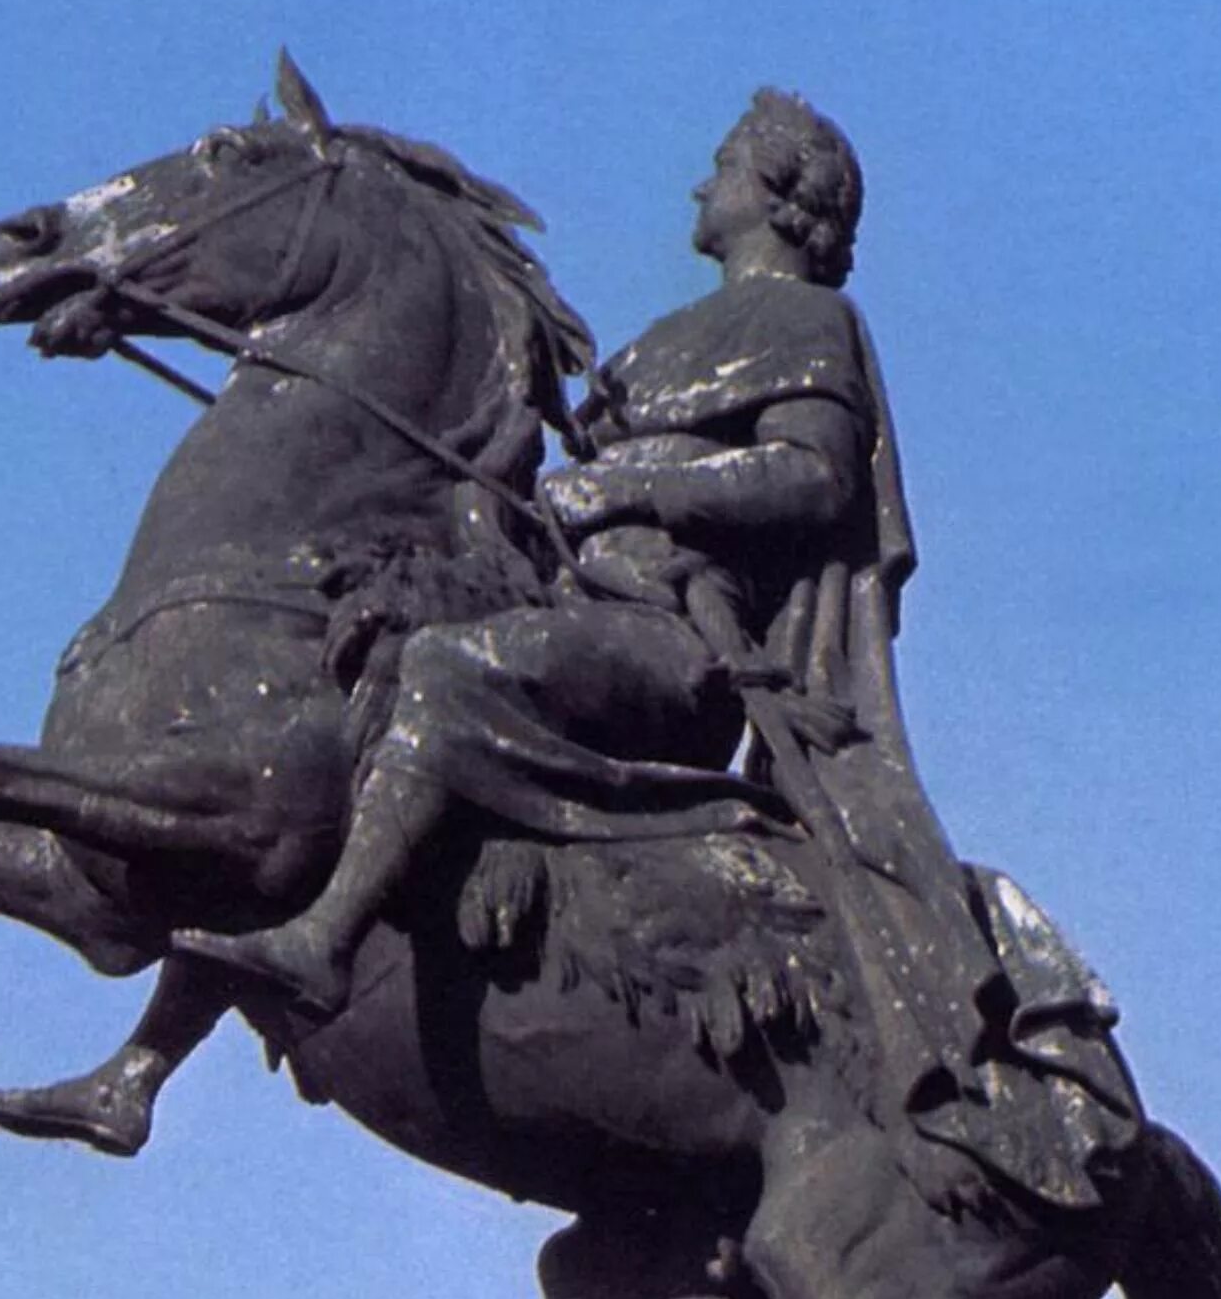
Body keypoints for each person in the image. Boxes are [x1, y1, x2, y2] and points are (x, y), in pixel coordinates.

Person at [178, 88, 910, 1014]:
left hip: (676, 641)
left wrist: (629, 489)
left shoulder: (809, 320)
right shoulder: (663, 341)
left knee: (447, 665)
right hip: (580, 604)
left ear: (777, 190)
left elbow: (815, 476)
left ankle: (325, 943)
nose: (701, 187)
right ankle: (149, 1052)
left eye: (723, 165)